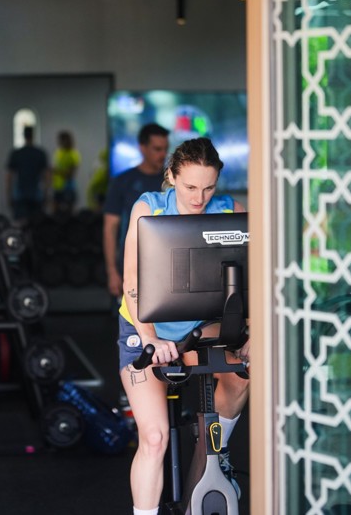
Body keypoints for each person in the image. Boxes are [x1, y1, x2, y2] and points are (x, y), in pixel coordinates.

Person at [117, 137, 249, 515]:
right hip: (144, 330)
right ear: (172, 176)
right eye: (190, 187)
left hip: (202, 329)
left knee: (241, 376)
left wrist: (252, 332)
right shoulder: (149, 208)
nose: (199, 197)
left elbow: (250, 279)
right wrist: (150, 338)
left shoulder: (229, 212)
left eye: (208, 187)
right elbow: (132, 279)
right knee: (155, 438)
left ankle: (209, 462)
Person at [103, 123, 170, 298]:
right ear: (142, 148)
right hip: (129, 267)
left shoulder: (173, 182)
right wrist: (112, 272)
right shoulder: (122, 182)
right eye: (157, 149)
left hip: (166, 268)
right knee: (128, 322)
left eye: (165, 149)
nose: (163, 154)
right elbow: (110, 228)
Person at [6, 125, 49, 223]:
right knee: (36, 226)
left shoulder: (17, 153)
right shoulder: (40, 153)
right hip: (35, 195)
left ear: (24, 136)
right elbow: (47, 176)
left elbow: (9, 177)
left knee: (21, 225)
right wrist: (46, 194)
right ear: (33, 135)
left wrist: (9, 195)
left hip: (21, 195)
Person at [51, 129, 81, 214]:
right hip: (57, 187)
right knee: (55, 213)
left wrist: (57, 171)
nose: (60, 142)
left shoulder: (73, 154)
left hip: (68, 188)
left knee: (69, 213)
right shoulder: (58, 152)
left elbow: (71, 174)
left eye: (62, 140)